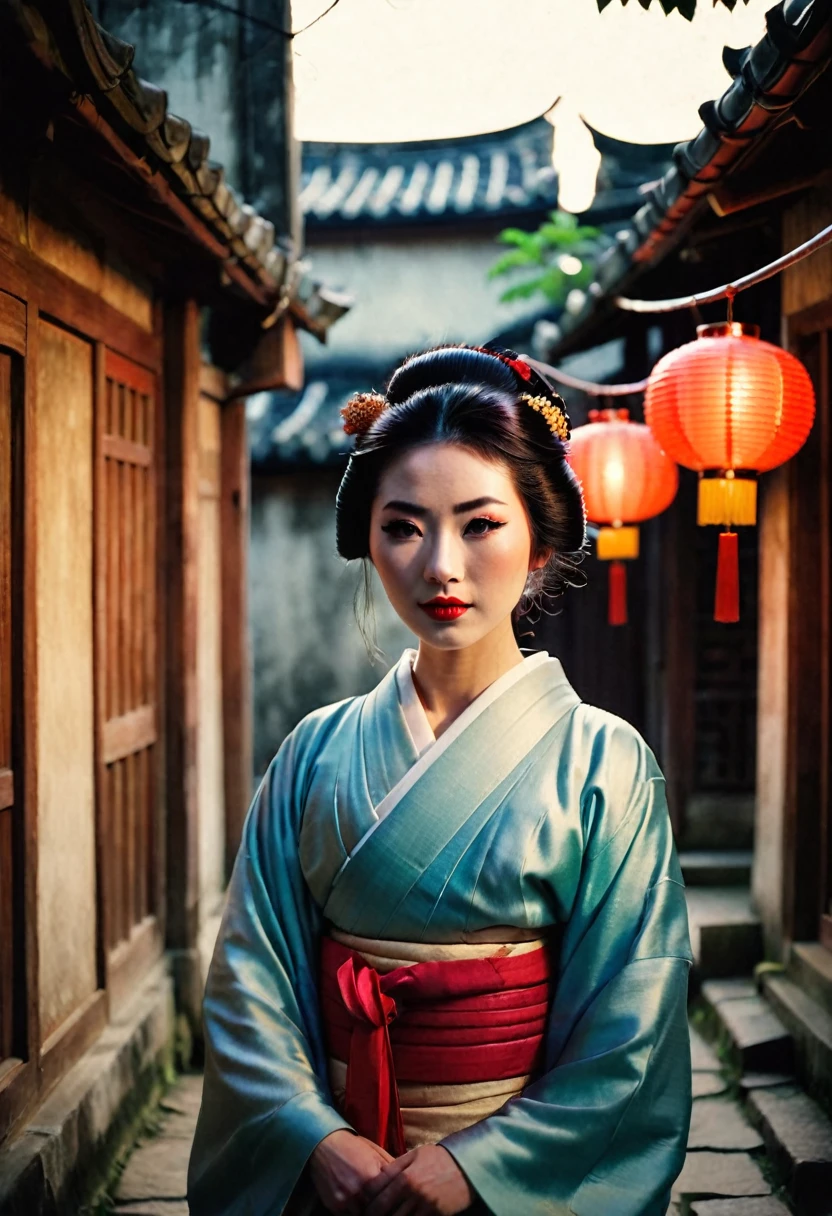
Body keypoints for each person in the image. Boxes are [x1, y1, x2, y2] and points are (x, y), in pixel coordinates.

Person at [187, 346, 693, 1216]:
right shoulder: (312, 754)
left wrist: (479, 1167)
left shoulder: (606, 766)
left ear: (538, 542)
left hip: (508, 1184)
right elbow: (249, 983)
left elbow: (631, 1024)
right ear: (370, 543)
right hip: (335, 1178)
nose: (440, 566)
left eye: (481, 525)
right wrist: (315, 1137)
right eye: (404, 526)